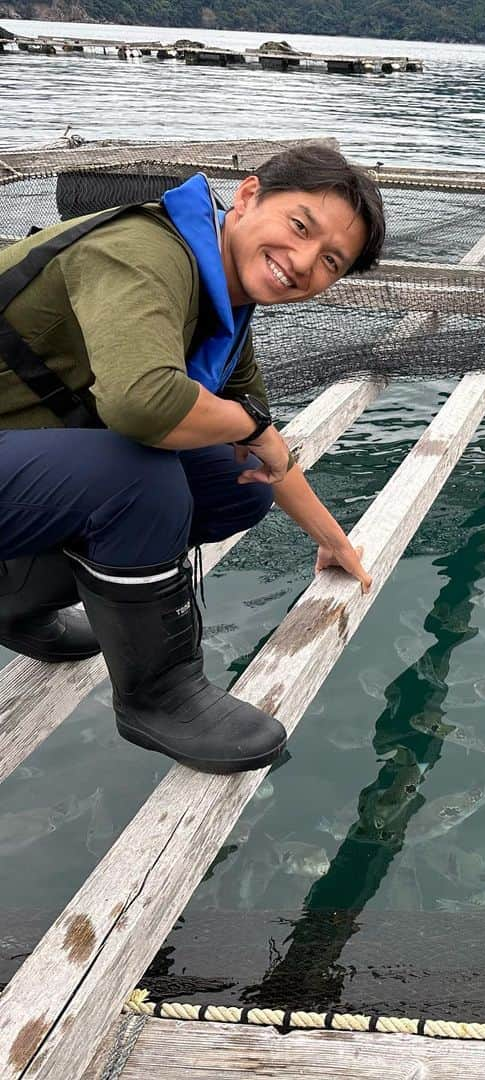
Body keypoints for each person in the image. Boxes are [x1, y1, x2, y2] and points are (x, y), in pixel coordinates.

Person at [0, 142, 385, 775]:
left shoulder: (226, 312)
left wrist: (332, 538)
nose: (304, 262)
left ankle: (13, 600)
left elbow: (263, 451)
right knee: (135, 473)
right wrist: (250, 422)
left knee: (236, 484)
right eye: (299, 227)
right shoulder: (142, 251)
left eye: (330, 262)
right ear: (248, 195)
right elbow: (144, 405)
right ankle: (158, 694)